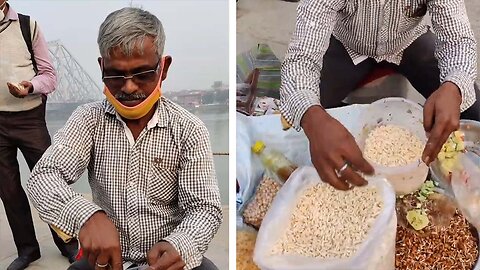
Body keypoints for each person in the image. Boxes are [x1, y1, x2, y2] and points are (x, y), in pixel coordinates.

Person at [27, 7, 223, 270]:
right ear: (101, 68)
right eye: (116, 75)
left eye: (143, 74)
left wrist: (181, 243)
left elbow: (205, 208)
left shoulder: (189, 128)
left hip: (166, 260)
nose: (129, 87)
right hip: (106, 262)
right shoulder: (89, 120)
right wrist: (87, 217)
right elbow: (43, 176)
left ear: (163, 68)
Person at [279, 0, 479, 191]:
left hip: (408, 42)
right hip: (349, 45)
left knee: (472, 106)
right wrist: (311, 117)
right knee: (292, 120)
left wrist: (455, 85)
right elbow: (301, 59)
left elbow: (458, 40)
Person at [0, 1, 78, 269]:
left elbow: (50, 76)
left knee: (49, 183)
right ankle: (28, 250)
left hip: (29, 118)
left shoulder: (26, 25)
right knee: (8, 190)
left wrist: (30, 86)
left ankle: (69, 244)